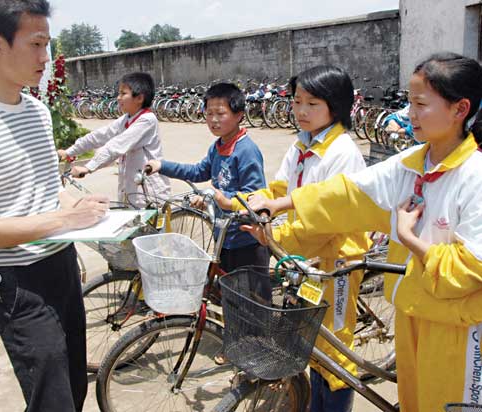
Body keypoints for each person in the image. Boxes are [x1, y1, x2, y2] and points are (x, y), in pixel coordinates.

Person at [242, 52, 482, 412]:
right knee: (415, 402)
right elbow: (349, 192)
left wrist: (410, 238)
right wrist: (282, 205)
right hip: (411, 309)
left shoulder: (474, 175)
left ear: (459, 109)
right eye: (409, 102)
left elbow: (470, 270)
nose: (409, 115)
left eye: (420, 104)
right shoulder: (411, 164)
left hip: (456, 327)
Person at [215, 66, 370, 412]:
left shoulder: (342, 152)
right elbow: (280, 190)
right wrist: (250, 202)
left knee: (336, 350)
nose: (301, 111)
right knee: (308, 340)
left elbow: (330, 219)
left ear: (335, 106)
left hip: (337, 263)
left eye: (312, 103)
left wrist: (276, 234)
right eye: (297, 101)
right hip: (303, 259)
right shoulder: (301, 144)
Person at [0, 1, 109, 411]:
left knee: (73, 388)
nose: (45, 58)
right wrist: (64, 218)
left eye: (48, 45)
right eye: (36, 44)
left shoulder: (37, 112)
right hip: (17, 281)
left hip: (63, 264)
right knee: (51, 398)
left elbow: (46, 187)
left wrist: (80, 203)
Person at [145, 82, 269, 276]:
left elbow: (255, 195)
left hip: (246, 239)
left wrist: (215, 197)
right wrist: (162, 166)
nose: (213, 120)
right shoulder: (217, 146)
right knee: (228, 293)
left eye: (220, 114)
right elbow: (198, 171)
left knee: (250, 299)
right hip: (223, 236)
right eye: (209, 113)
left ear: (239, 115)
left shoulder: (246, 151)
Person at [57, 72, 171, 208]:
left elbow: (116, 146)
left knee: (152, 229)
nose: (118, 98)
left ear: (139, 98)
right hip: (132, 191)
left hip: (149, 193)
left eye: (123, 94)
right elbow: (99, 136)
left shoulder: (147, 120)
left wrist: (88, 167)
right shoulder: (126, 119)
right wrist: (69, 152)